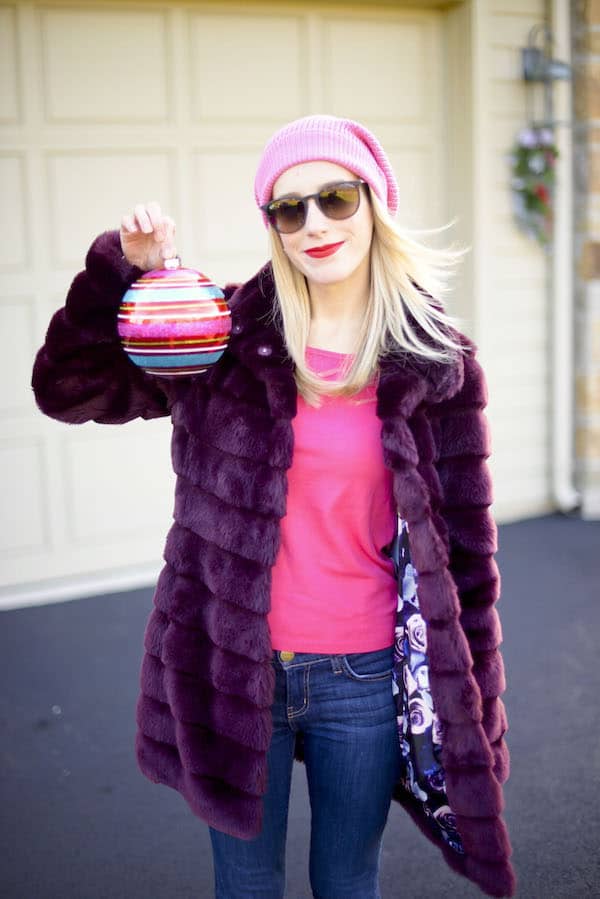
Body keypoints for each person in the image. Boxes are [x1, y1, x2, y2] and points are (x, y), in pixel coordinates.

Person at [32, 115, 515, 898]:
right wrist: (129, 276)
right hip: (233, 662)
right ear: (273, 227)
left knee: (346, 881)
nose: (314, 223)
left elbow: (466, 562)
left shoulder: (437, 359)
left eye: (335, 198)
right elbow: (68, 389)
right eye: (289, 209)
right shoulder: (223, 335)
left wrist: (479, 713)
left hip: (363, 671)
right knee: (246, 885)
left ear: (375, 204)